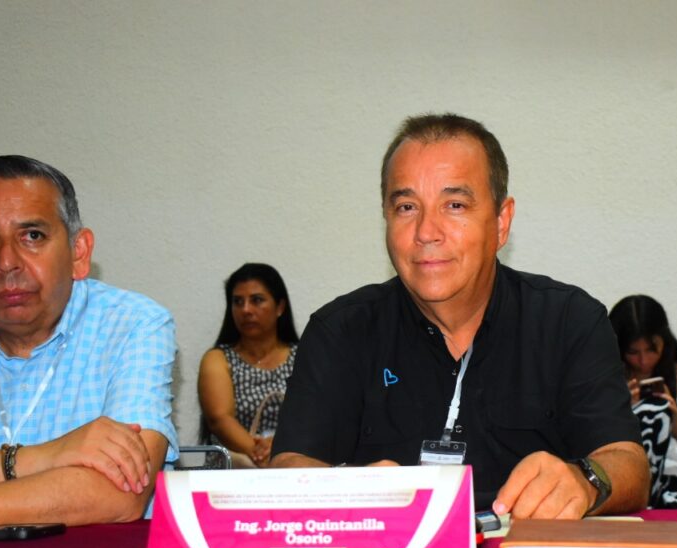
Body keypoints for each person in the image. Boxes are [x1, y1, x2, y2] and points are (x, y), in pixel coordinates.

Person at [271, 113, 648, 519]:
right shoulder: (340, 332)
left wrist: (585, 481)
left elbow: (628, 463)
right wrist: (344, 488)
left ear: (501, 222)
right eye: (406, 207)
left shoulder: (569, 321)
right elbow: (289, 465)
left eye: (454, 205)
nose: (426, 232)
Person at [0, 155, 176, 529]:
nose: (7, 262)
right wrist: (49, 455)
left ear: (79, 253)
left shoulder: (133, 324)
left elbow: (119, 494)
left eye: (32, 236)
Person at [609, 295, 677, 509]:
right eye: (633, 352)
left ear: (665, 340)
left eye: (652, 349)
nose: (643, 360)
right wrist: (622, 414)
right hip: (628, 486)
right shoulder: (607, 381)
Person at [198, 263, 299, 466]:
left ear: (280, 307)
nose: (246, 310)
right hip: (234, 469)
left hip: (293, 463)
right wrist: (259, 453)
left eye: (257, 300)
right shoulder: (218, 359)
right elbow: (220, 418)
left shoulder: (303, 356)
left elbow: (318, 417)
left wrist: (279, 449)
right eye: (238, 302)